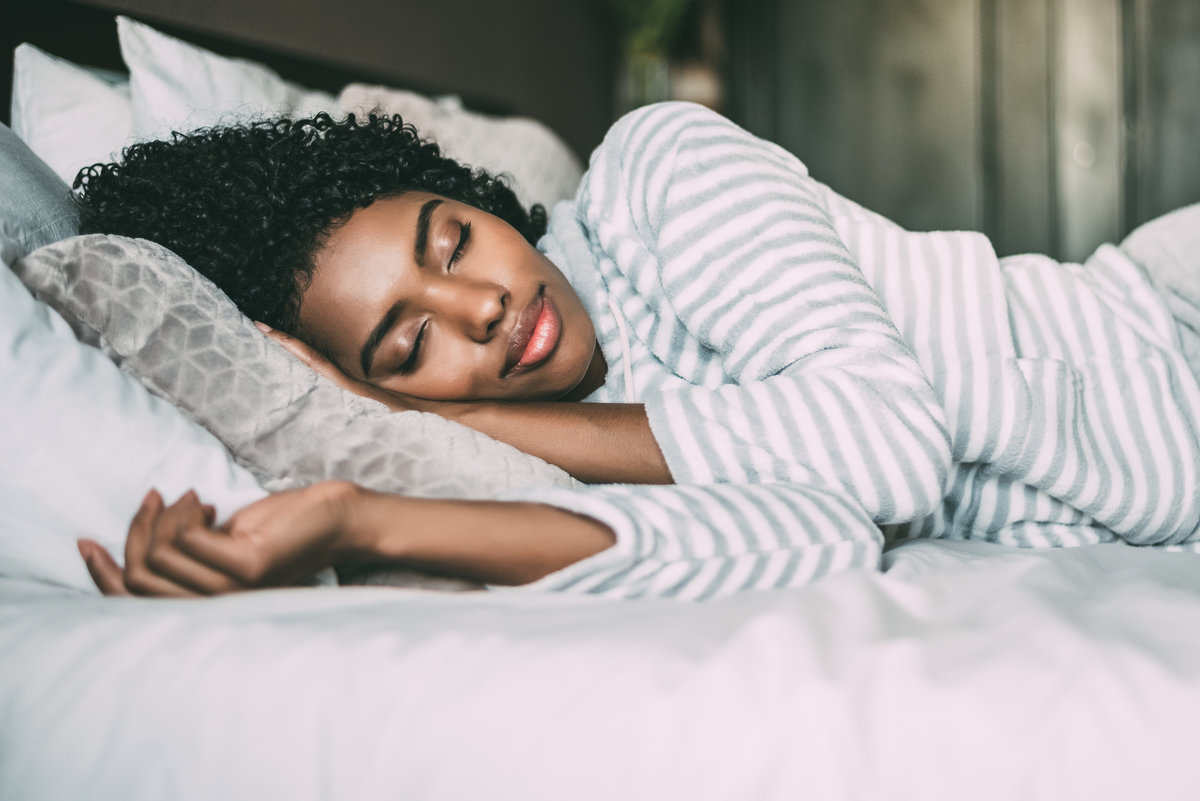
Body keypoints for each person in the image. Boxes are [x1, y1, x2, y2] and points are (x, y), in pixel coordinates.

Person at [72, 102, 1200, 600]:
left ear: (475, 197)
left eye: (454, 238)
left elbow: (888, 446)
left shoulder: (661, 172)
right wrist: (358, 515)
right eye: (410, 344)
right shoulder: (572, 446)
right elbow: (811, 536)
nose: (480, 310)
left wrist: (433, 414)